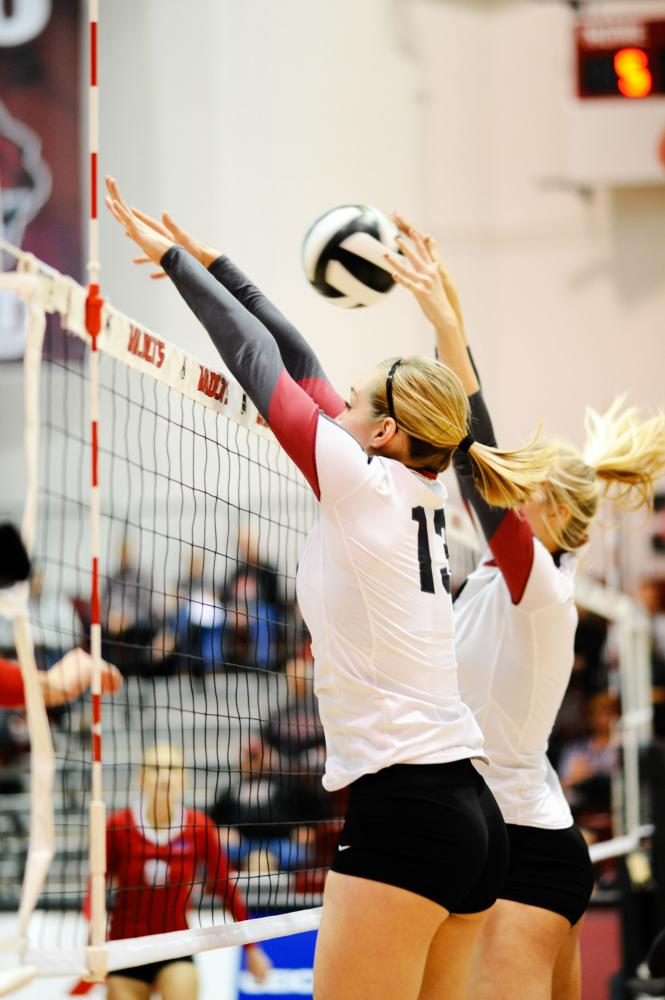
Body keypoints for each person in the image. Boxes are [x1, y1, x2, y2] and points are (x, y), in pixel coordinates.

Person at [105, 176, 556, 1000]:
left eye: (351, 405)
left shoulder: (358, 482)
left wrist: (172, 261)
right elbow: (301, 363)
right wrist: (224, 268)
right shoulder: (411, 489)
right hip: (468, 813)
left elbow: (256, 362)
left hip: (406, 814)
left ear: (382, 432)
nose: (334, 406)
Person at [387, 215, 665, 1000]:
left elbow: (477, 464)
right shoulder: (499, 579)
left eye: (524, 488)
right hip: (515, 835)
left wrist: (449, 327)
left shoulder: (541, 583)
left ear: (546, 513)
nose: (507, 493)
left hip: (523, 848)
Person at [104, 744, 271, 1000]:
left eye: (172, 769)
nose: (164, 776)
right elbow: (96, 886)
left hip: (176, 946)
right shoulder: (118, 825)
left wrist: (252, 948)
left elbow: (225, 888)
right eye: (156, 769)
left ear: (183, 778)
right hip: (126, 947)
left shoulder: (199, 826)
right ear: (141, 778)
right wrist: (92, 940)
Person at [0, 523, 121, 707]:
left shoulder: (58, 605)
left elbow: (72, 638)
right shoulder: (12, 606)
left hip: (54, 655)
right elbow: (46, 688)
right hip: (27, 659)